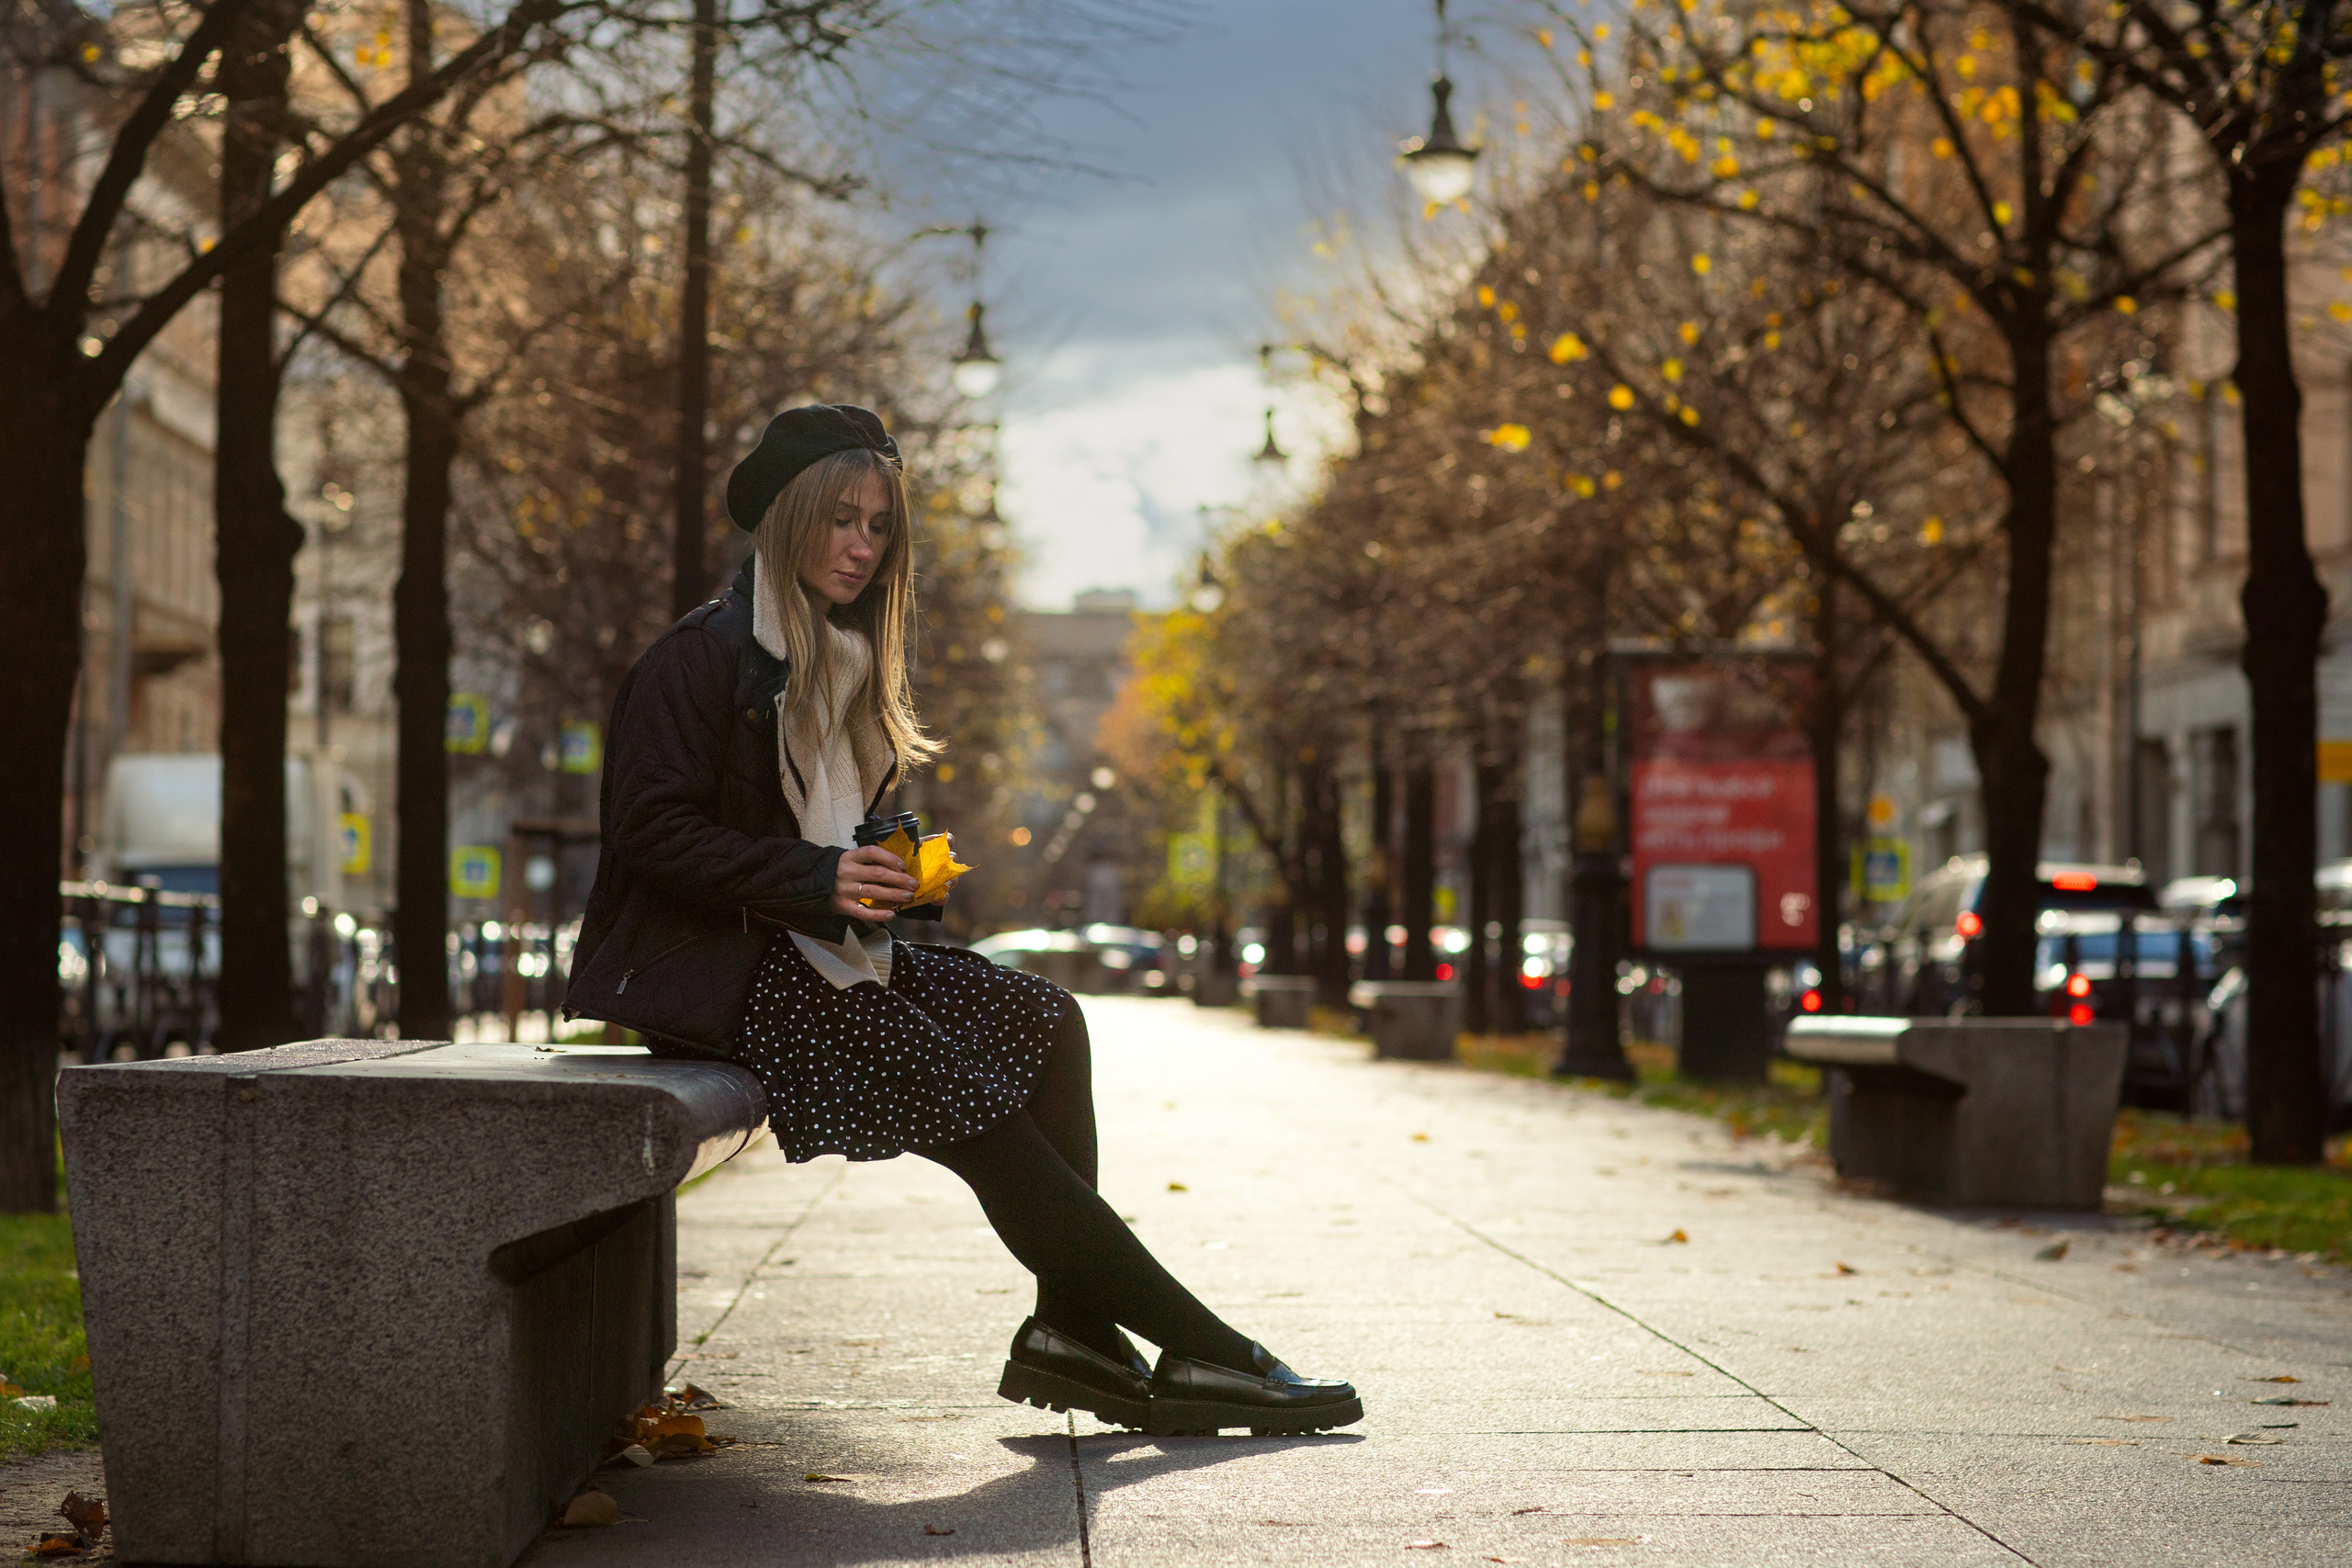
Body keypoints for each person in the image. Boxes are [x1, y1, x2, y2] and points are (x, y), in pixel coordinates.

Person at [568, 404, 1361, 1437]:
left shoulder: (838, 657)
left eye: (877, 526)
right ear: (788, 518)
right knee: (972, 1100)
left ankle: (1073, 1332)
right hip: (714, 980)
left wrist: (886, 871)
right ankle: (1211, 1351)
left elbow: (803, 836)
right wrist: (820, 875)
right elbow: (647, 831)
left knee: (1046, 1019)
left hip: (804, 957)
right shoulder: (702, 656)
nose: (862, 545)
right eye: (841, 520)